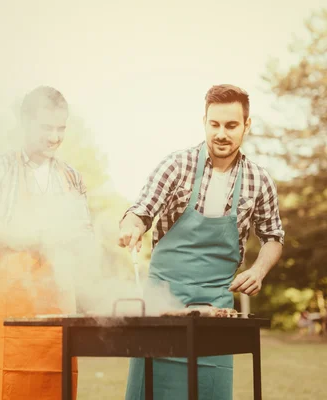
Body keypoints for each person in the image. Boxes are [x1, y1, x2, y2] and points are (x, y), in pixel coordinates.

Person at [118, 84, 285, 400]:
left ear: (247, 125)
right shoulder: (177, 166)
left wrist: (259, 271)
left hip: (215, 311)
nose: (222, 133)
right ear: (204, 121)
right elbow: (140, 211)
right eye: (215, 124)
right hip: (162, 304)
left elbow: (274, 237)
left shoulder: (259, 180)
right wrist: (132, 227)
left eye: (231, 125)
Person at [0, 86, 93, 400]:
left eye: (60, 128)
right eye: (46, 128)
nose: (54, 137)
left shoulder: (71, 177)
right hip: (8, 306)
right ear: (25, 122)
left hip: (58, 308)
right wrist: (32, 236)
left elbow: (85, 234)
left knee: (56, 388)